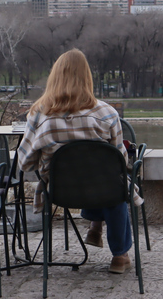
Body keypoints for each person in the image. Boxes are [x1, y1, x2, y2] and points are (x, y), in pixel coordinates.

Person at [17, 48, 142, 274]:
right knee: (114, 185)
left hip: (61, 190)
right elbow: (120, 162)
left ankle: (95, 225)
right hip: (104, 188)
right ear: (87, 77)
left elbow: (24, 163)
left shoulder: (38, 113)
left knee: (93, 179)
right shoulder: (107, 113)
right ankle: (119, 255)